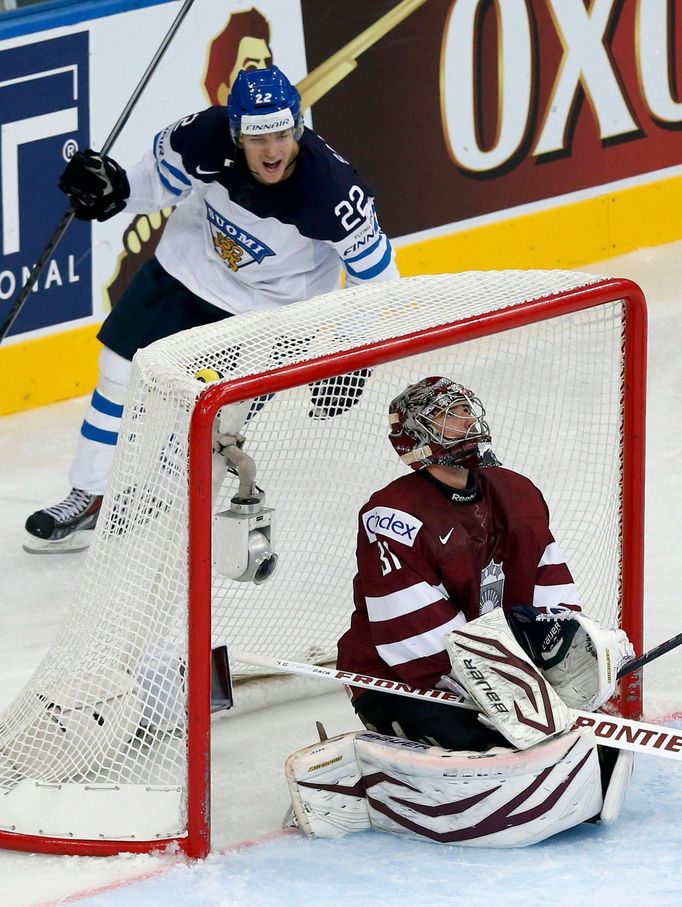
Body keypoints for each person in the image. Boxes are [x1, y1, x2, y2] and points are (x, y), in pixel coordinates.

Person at [24, 65, 399, 553]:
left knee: (213, 417)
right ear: (235, 133)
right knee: (117, 371)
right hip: (190, 270)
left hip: (273, 310)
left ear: (297, 128)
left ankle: (164, 515)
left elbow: (378, 279)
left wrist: (352, 352)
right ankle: (89, 494)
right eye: (257, 138)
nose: (272, 151)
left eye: (283, 134)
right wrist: (114, 189)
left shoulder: (331, 190)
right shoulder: (201, 137)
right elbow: (153, 185)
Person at [336, 375, 633, 751]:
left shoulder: (516, 493)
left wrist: (562, 650)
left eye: (466, 409)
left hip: (503, 668)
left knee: (592, 733)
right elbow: (415, 641)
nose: (468, 420)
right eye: (449, 414)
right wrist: (510, 694)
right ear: (418, 435)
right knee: (489, 743)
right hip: (402, 679)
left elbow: (548, 588)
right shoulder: (394, 517)